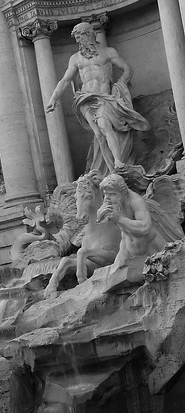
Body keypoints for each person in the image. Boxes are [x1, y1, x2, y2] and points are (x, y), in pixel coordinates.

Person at [46, 22, 150, 175]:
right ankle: (109, 170)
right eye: (76, 37)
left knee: (104, 125)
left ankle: (118, 161)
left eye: (79, 36)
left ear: (88, 34)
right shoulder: (75, 59)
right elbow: (65, 81)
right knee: (99, 135)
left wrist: (120, 86)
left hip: (104, 98)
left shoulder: (108, 52)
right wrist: (53, 98)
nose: (77, 40)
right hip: (85, 100)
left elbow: (128, 69)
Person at [97, 174, 170, 272]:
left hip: (152, 249)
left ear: (122, 191)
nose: (106, 198)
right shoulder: (114, 201)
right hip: (126, 250)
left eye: (111, 194)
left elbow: (145, 227)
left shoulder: (136, 201)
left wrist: (119, 219)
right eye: (105, 194)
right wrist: (102, 215)